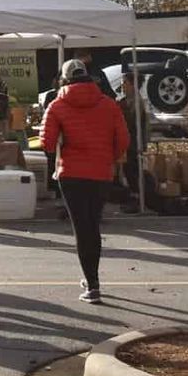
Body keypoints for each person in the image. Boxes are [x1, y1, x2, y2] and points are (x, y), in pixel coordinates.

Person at [41, 58, 129, 303]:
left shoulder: (57, 105)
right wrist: (106, 156)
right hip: (101, 171)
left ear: (65, 79)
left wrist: (64, 145)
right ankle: (93, 279)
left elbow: (47, 143)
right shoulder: (108, 104)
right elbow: (123, 140)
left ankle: (92, 283)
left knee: (81, 228)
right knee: (94, 224)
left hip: (70, 173)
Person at [118, 72, 149, 206]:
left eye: (125, 83)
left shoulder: (137, 102)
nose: (122, 86)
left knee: (132, 170)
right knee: (127, 169)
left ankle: (137, 198)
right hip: (128, 141)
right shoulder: (126, 100)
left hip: (133, 142)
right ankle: (133, 196)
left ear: (133, 85)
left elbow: (133, 123)